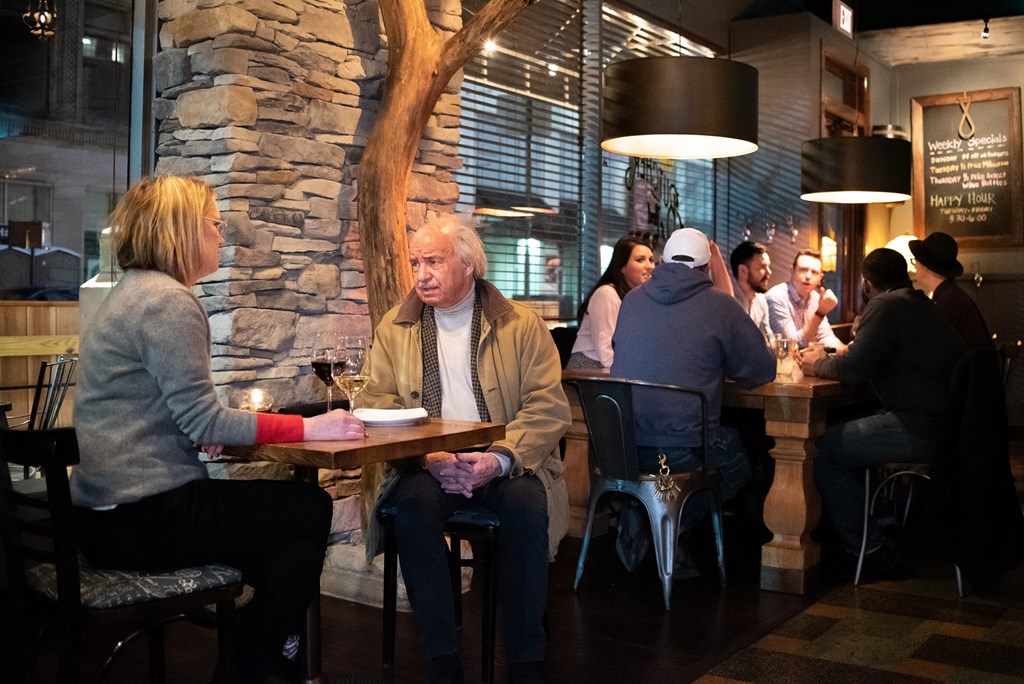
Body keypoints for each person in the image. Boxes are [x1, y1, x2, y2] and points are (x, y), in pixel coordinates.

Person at [70, 175, 367, 683]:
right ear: (182, 230)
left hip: (105, 516)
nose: (222, 235)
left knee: (284, 546)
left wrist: (195, 429)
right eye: (214, 224)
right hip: (145, 517)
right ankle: (252, 662)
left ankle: (266, 658)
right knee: (309, 508)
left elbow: (163, 412)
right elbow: (205, 418)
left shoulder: (129, 294)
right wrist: (314, 426)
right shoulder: (168, 302)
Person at [361, 216, 571, 684]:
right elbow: (376, 403)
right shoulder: (395, 327)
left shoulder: (521, 324)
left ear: (469, 264)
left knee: (526, 509)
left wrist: (498, 459)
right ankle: (442, 659)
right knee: (412, 510)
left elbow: (547, 407)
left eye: (433, 261)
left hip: (505, 460)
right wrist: (426, 457)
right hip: (427, 462)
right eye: (416, 262)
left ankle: (525, 659)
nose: (421, 274)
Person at [611, 228, 775, 575]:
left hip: (623, 447)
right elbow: (760, 371)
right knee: (742, 460)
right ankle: (670, 527)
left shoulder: (632, 299)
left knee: (711, 453)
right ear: (706, 268)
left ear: (665, 261)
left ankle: (645, 516)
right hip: (683, 448)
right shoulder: (720, 304)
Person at [801, 248, 964, 577]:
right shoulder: (921, 304)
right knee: (844, 430)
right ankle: (882, 528)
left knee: (821, 451)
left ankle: (870, 547)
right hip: (947, 427)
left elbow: (854, 368)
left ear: (865, 283)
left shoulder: (886, 304)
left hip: (920, 428)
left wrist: (814, 364)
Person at [567, 235, 654, 369]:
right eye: (640, 260)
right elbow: (606, 352)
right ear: (622, 267)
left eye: (651, 260)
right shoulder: (606, 294)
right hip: (590, 368)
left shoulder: (639, 297)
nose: (649, 266)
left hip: (617, 367)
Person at [909, 231, 993, 350]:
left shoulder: (950, 300)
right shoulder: (950, 294)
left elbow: (937, 346)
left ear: (926, 266)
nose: (915, 266)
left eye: (915, 260)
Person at [766, 249, 847, 352]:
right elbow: (792, 346)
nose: (808, 276)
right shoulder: (776, 297)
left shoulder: (816, 298)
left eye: (814, 272)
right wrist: (820, 313)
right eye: (803, 270)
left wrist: (847, 350)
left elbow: (826, 337)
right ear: (792, 271)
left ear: (820, 278)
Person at [729, 240, 773, 342]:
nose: (769, 272)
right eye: (762, 267)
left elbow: (768, 340)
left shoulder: (761, 300)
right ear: (743, 271)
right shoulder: (727, 301)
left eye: (768, 267)